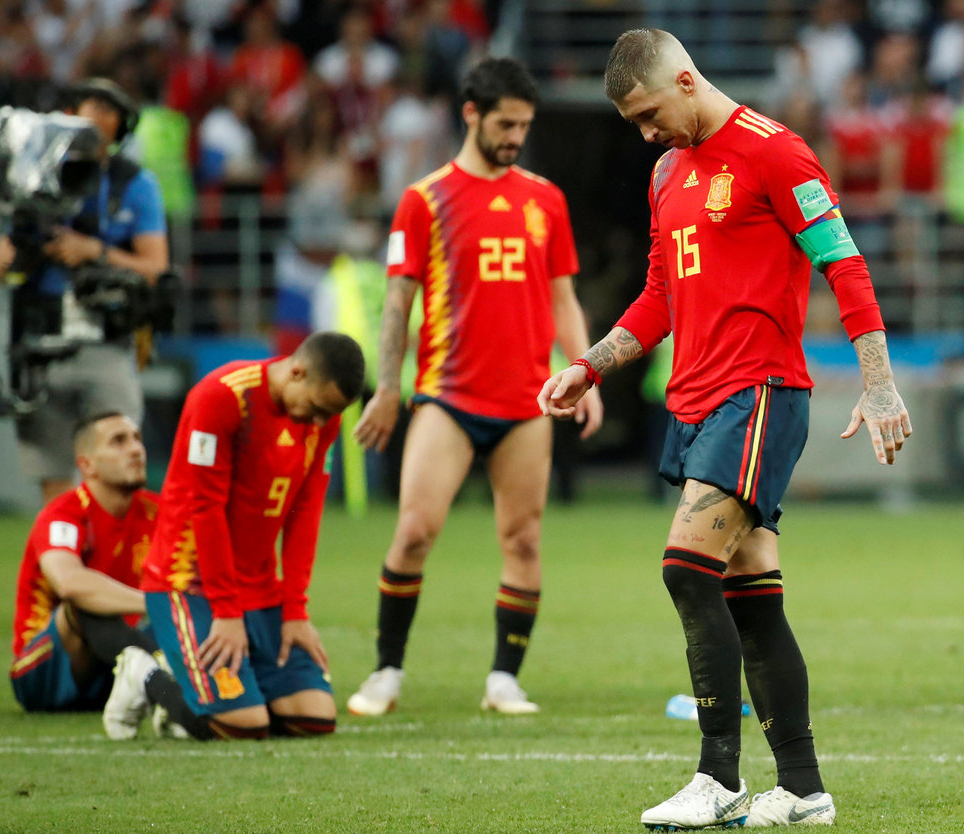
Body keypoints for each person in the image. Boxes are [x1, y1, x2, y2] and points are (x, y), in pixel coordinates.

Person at [538, 29, 912, 829]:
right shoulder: (667, 173)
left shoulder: (776, 152)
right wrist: (591, 365)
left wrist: (879, 385)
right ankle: (803, 789)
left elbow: (844, 263)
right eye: (634, 124)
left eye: (649, 115)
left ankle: (717, 778)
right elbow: (661, 296)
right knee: (752, 597)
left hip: (760, 394)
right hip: (697, 401)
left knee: (685, 568)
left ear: (685, 80)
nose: (647, 134)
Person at [346, 56, 604, 718]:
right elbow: (398, 302)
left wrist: (588, 371)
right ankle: (386, 670)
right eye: (505, 124)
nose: (516, 137)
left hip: (527, 400)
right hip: (449, 396)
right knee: (413, 533)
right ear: (471, 115)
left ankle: (503, 680)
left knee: (524, 540)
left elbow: (563, 299)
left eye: (524, 126)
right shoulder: (424, 200)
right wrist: (386, 389)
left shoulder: (545, 199)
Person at [136, 332, 365, 740]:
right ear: (297, 372)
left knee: (314, 718)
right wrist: (226, 612)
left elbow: (305, 513)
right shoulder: (221, 397)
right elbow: (205, 508)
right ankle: (147, 676)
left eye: (329, 414)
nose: (318, 423)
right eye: (316, 408)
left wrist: (295, 610)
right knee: (242, 724)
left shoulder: (324, 419)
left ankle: (226, 684)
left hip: (258, 587)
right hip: (189, 583)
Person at [0, 77, 169, 505]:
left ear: (121, 126)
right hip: (40, 341)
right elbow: (1, 268)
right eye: (91, 107)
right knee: (54, 481)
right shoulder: (34, 175)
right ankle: (64, 548)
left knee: (120, 469)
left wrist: (94, 252)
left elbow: (155, 269)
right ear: (69, 115)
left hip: (106, 339)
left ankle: (112, 550)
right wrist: (22, 251)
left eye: (109, 112)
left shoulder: (134, 183)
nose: (97, 119)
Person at [10, 411, 212, 741]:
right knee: (81, 604)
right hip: (46, 672)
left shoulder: (158, 512)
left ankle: (163, 679)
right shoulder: (63, 514)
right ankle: (173, 697)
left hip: (116, 659)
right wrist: (156, 602)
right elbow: (69, 583)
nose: (135, 449)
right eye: (118, 441)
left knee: (202, 609)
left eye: (137, 439)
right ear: (87, 465)